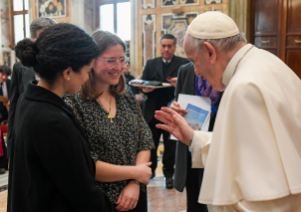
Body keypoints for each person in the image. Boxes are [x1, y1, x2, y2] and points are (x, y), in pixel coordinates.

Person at [154, 12, 301, 211]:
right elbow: (251, 148)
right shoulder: (266, 61)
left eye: (194, 60)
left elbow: (263, 196)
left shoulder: (244, 87)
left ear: (210, 52)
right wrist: (194, 138)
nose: (196, 72)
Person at [8, 23, 114, 212]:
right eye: (87, 71)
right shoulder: (52, 120)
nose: (87, 78)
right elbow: (81, 191)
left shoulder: (30, 98)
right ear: (67, 73)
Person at [64, 30, 154, 212]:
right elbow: (85, 163)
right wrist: (136, 173)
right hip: (99, 199)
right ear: (91, 61)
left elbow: (144, 140)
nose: (119, 67)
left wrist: (135, 183)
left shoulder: (125, 95)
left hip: (135, 195)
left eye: (122, 59)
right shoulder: (73, 101)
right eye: (111, 60)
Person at [172, 62, 222, 212]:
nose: (195, 67)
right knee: (194, 198)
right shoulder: (186, 70)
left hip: (217, 143)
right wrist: (174, 107)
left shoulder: (226, 71)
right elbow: (177, 100)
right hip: (191, 144)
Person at [141, 34, 188, 188]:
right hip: (152, 112)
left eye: (169, 46)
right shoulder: (151, 63)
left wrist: (179, 84)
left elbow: (188, 87)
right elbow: (143, 84)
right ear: (159, 47)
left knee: (170, 147)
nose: (166, 49)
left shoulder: (183, 64)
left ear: (175, 47)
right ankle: (151, 172)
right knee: (151, 144)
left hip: (171, 112)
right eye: (163, 46)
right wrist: (146, 89)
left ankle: (169, 174)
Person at [7, 17, 57, 158]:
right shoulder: (20, 68)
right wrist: (11, 151)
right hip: (27, 141)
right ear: (33, 39)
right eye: (42, 39)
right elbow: (14, 111)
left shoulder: (63, 67)